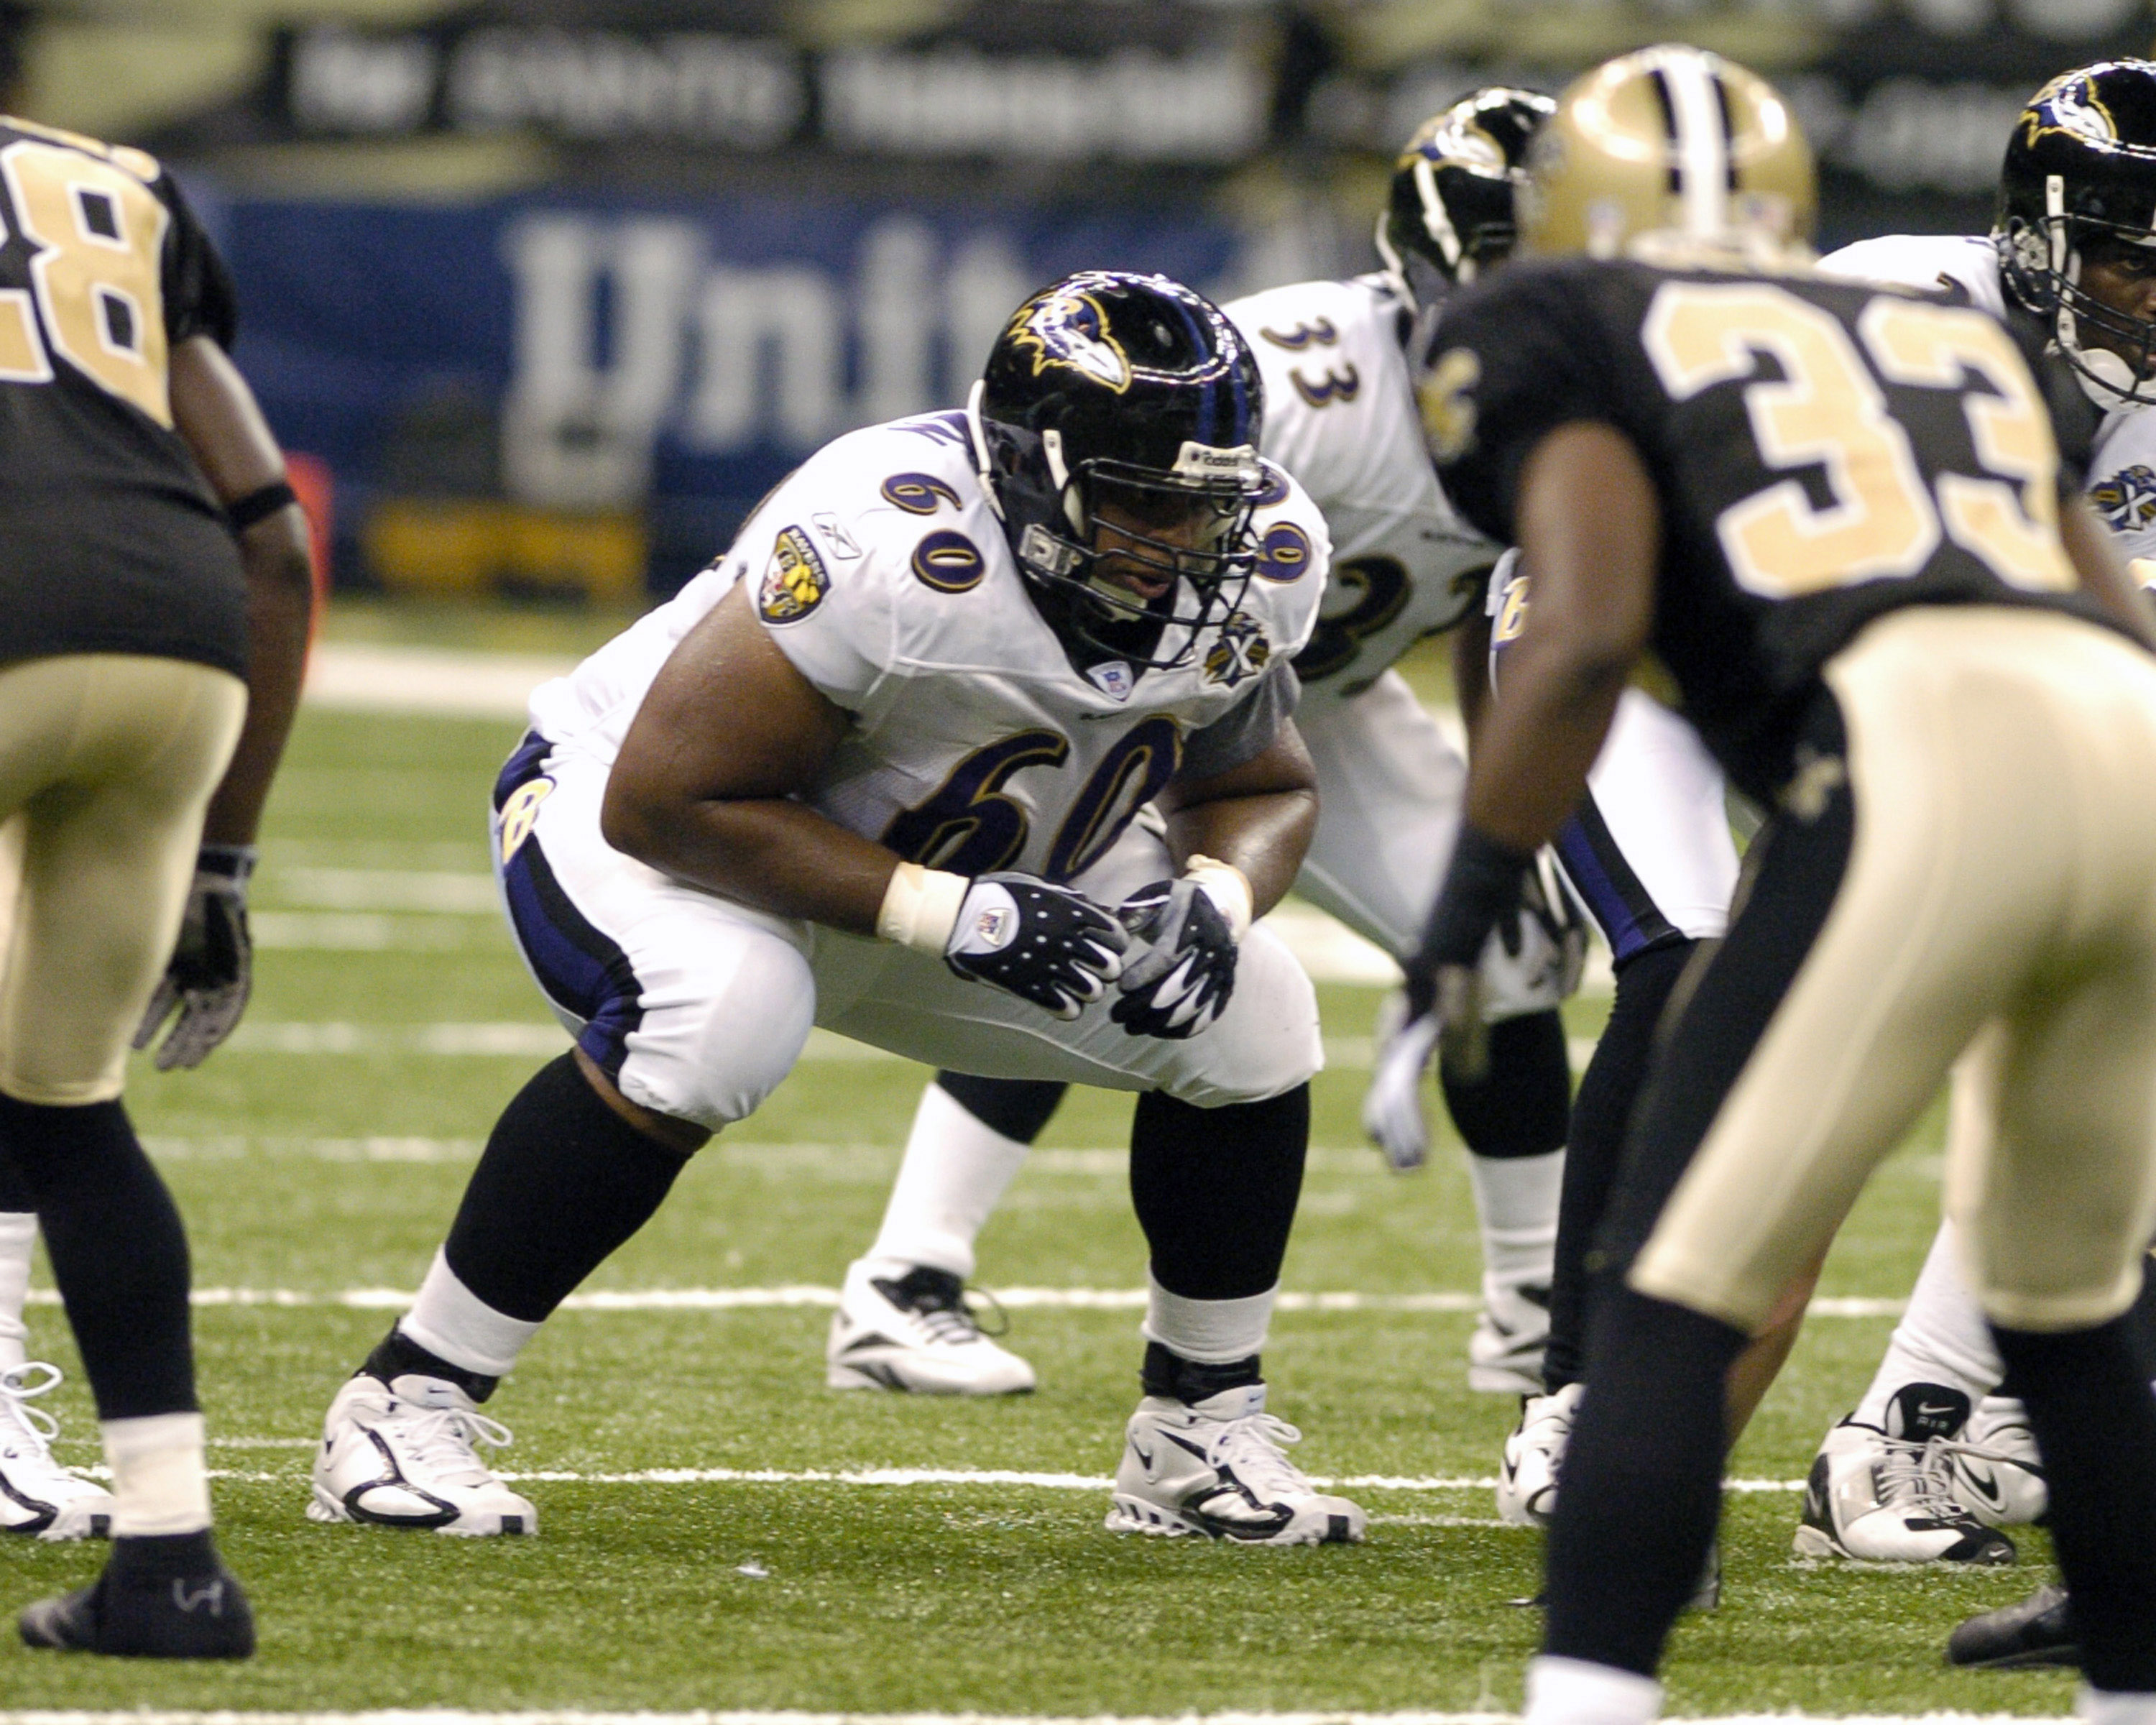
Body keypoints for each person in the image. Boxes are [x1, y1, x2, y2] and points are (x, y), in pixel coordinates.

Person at [305, 270, 1369, 1548]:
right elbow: (671, 799)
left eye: (1204, 506)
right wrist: (957, 917)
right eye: (1144, 502)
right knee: (724, 1017)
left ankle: (1196, 1433)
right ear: (1034, 468)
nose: (1182, 544)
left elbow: (1259, 783)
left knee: (1257, 1013)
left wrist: (1217, 890)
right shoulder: (891, 542)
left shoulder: (1257, 561)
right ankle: (407, 1395)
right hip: (647, 822)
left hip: (934, 871)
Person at [1369, 42, 2156, 1724]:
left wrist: (1460, 917)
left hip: (1905, 735)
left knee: (1686, 1278)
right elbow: (2102, 618)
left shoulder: (1551, 321)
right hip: (2070, 734)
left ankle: (1611, 1644)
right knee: (2071, 1289)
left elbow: (1582, 622)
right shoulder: (1934, 321)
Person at [822, 90, 1592, 1403]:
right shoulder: (1305, 380)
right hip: (1136, 683)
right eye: (1523, 269)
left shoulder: (1592, 402)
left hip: (1311, 702)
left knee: (1511, 942)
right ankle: (905, 1282)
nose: (1553, 304)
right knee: (1108, 928)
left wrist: (1507, 790)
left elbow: (1511, 602)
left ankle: (1533, 1313)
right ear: (1428, 261)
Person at [1781, 58, 2156, 1570]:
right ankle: (1897, 1438)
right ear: (2038, 235)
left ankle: (1961, 1429)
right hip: (1781, 722)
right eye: (2130, 258)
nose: (2148, 297)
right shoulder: (1878, 314)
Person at [0, 117, 313, 1656]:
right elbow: (278, 542)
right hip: (181, 636)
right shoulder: (117, 181)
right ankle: (172, 1568)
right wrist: (228, 858)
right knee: (66, 1112)